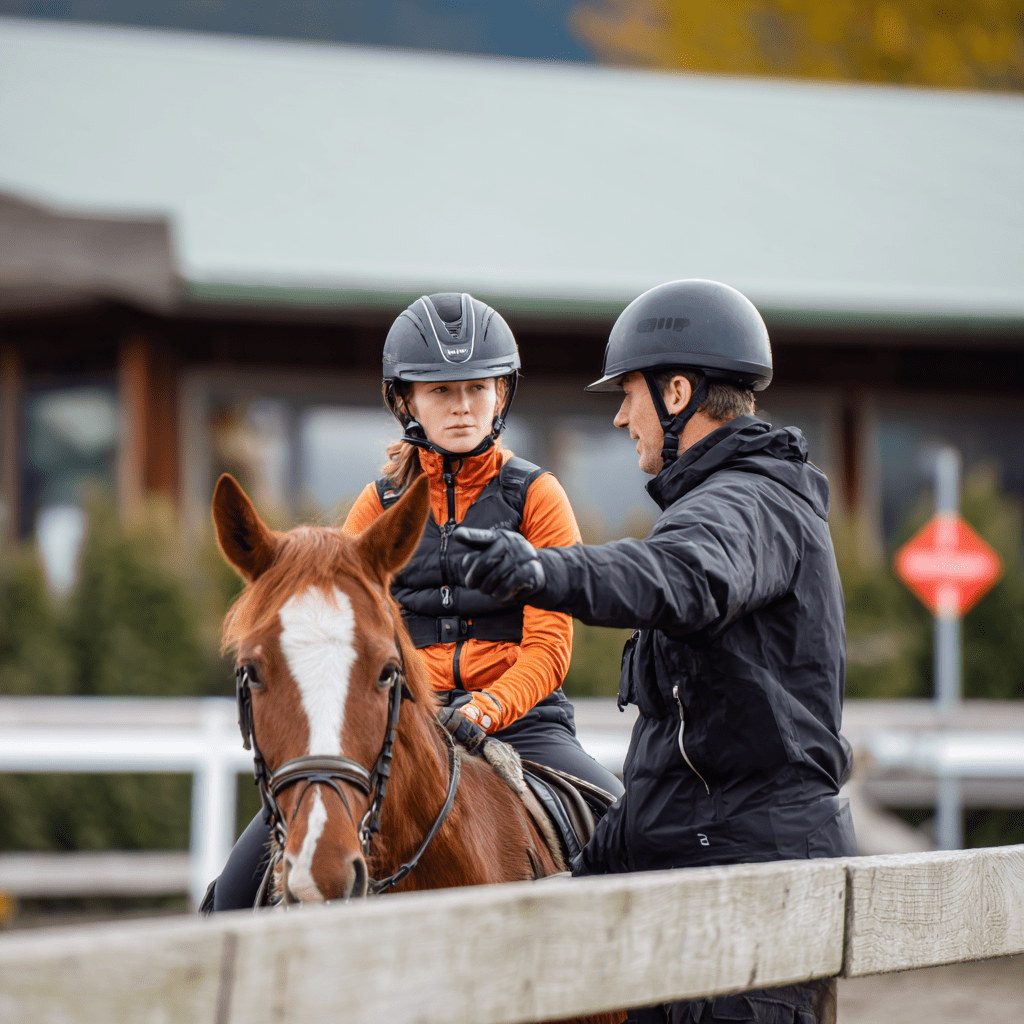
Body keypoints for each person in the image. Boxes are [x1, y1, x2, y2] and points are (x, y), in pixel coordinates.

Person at [457, 280, 855, 1024]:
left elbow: (675, 577)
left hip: (752, 885)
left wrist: (543, 569)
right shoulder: (721, 503)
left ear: (678, 392)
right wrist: (586, 871)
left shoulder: (749, 505)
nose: (618, 415)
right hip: (685, 850)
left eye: (629, 393)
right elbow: (679, 746)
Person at [206, 292, 621, 912]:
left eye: (477, 388)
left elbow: (548, 649)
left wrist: (481, 711)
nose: (461, 408)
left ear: (501, 395)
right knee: (233, 895)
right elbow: (345, 646)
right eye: (440, 392)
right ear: (406, 402)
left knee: (629, 838)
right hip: (401, 725)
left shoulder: (539, 495)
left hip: (526, 727)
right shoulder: (374, 508)